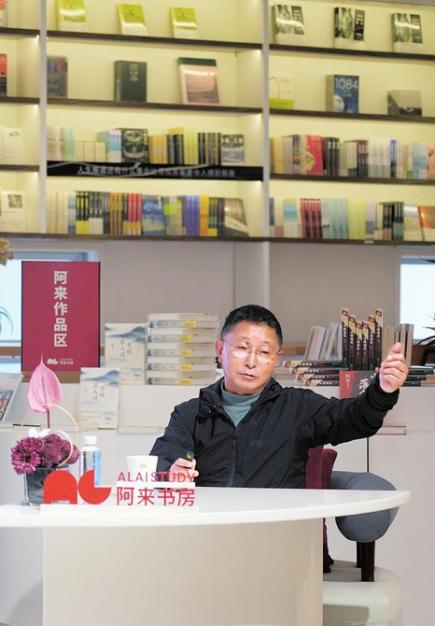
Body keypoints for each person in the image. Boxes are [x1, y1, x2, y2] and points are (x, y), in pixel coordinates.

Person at [150, 304, 408, 488]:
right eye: (242, 348)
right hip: (210, 530)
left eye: (264, 352)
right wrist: (170, 473)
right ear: (220, 349)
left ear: (276, 359)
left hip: (278, 531)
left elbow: (355, 419)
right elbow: (160, 465)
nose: (251, 362)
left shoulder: (298, 408)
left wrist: (382, 389)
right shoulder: (191, 414)